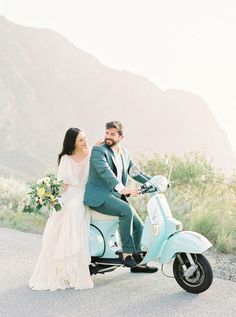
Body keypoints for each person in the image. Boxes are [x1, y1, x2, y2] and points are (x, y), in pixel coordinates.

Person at [84, 121, 157, 273]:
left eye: (113, 134)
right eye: (107, 133)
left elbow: (136, 172)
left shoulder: (125, 153)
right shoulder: (99, 150)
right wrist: (123, 189)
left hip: (116, 196)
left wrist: (155, 182)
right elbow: (105, 172)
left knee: (139, 226)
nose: (108, 137)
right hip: (100, 197)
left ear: (121, 137)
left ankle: (137, 262)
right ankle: (126, 253)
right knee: (126, 211)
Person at [29, 127, 94, 291]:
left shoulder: (92, 154)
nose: (85, 141)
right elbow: (63, 185)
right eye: (81, 139)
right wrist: (50, 195)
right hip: (68, 193)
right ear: (73, 143)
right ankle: (60, 271)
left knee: (73, 209)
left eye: (85, 137)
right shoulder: (65, 158)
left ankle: (73, 267)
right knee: (60, 213)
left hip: (82, 193)